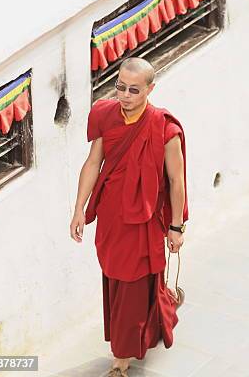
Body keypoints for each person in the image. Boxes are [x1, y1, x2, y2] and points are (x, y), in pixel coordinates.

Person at [69, 57, 189, 377]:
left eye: (134, 90)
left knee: (134, 285)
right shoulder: (106, 115)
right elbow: (94, 162)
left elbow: (176, 181)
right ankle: (161, 310)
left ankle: (121, 360)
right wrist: (79, 208)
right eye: (120, 87)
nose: (124, 95)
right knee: (116, 281)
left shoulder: (165, 128)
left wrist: (176, 227)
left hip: (144, 220)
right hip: (111, 217)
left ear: (150, 89)